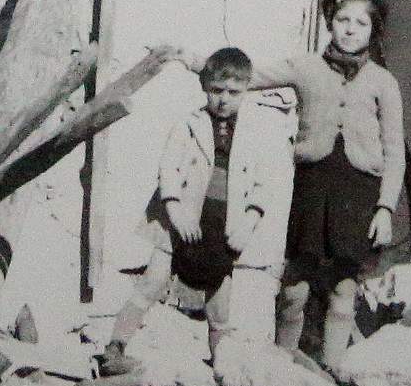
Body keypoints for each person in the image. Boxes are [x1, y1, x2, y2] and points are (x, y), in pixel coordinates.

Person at [242, 0, 407, 369]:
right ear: (330, 23)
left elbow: (394, 152)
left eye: (361, 23)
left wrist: (385, 208)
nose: (350, 29)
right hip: (313, 187)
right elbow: (248, 75)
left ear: (373, 30)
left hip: (359, 194)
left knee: (343, 287)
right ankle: (280, 364)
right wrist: (193, 61)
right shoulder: (306, 67)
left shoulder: (383, 82)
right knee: (296, 286)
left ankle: (332, 370)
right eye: (342, 20)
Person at [105, 47, 294, 361]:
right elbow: (168, 169)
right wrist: (176, 211)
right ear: (204, 86)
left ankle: (221, 363)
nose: (224, 99)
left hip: (224, 223)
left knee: (219, 303)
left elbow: (263, 184)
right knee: (152, 282)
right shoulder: (189, 123)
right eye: (216, 90)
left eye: (233, 92)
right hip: (183, 219)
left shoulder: (254, 133)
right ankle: (116, 346)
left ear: (246, 89)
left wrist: (247, 224)